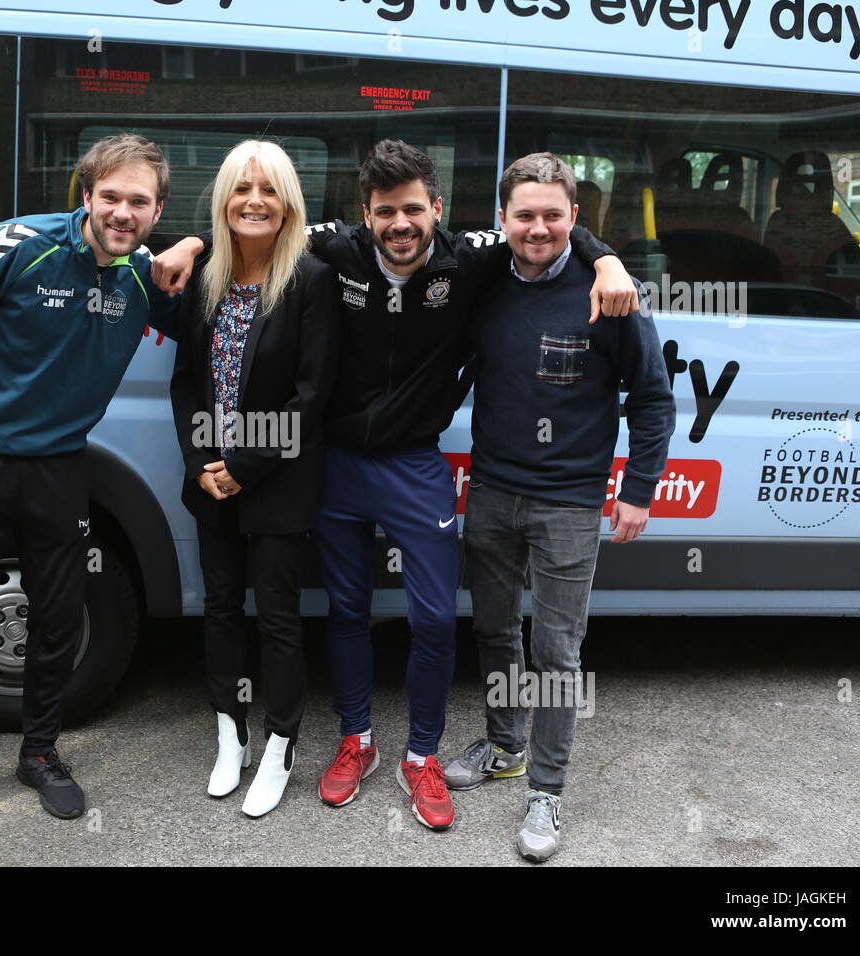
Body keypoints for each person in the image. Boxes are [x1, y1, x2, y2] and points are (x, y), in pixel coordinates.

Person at [155, 140, 638, 831]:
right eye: (385, 211)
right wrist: (191, 242)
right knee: (347, 612)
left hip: (415, 465)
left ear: (437, 208)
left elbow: (542, 229)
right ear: (366, 213)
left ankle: (421, 755)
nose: (400, 224)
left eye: (414, 209)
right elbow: (258, 224)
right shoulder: (335, 249)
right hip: (337, 465)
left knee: (436, 619)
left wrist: (607, 257)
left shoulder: (469, 257)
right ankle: (357, 740)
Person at [0, 134, 181, 836]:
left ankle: (40, 753)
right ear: (86, 196)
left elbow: (227, 304)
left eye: (138, 201)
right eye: (110, 196)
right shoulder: (19, 245)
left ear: (157, 211)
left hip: (59, 468)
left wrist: (195, 245)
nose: (122, 213)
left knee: (58, 619)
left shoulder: (144, 276)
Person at [445, 152, 675, 861]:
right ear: (503, 219)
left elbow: (652, 398)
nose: (538, 228)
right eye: (525, 215)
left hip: (569, 503)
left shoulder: (610, 294)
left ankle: (546, 790)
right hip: (492, 490)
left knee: (555, 651)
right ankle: (505, 746)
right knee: (494, 632)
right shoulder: (486, 281)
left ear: (575, 217)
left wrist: (638, 490)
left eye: (553, 215)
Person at [170, 140, 339, 817]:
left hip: (279, 482)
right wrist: (201, 465)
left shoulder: (312, 280)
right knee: (219, 609)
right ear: (224, 200)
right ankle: (230, 732)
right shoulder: (205, 277)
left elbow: (312, 394)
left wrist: (244, 466)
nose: (254, 201)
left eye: (269, 189)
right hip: (212, 481)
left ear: (289, 204)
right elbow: (187, 382)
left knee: (277, 620)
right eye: (243, 188)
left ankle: (280, 744)